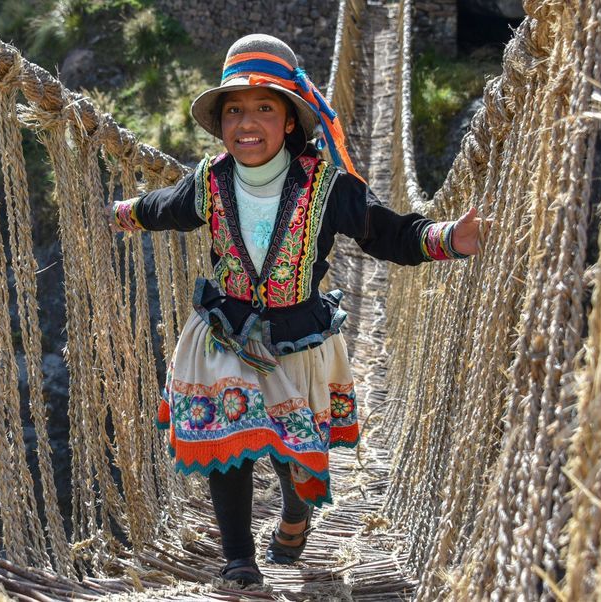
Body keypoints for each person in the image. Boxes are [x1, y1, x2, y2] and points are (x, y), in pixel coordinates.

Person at [109, 33, 485, 586]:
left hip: (297, 338)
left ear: (290, 122)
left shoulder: (327, 186)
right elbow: (166, 206)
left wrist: (447, 238)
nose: (247, 122)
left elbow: (387, 232)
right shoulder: (209, 182)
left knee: (292, 449)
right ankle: (238, 559)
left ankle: (295, 511)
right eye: (234, 109)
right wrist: (128, 211)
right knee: (227, 440)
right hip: (226, 334)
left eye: (265, 107)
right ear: (221, 124)